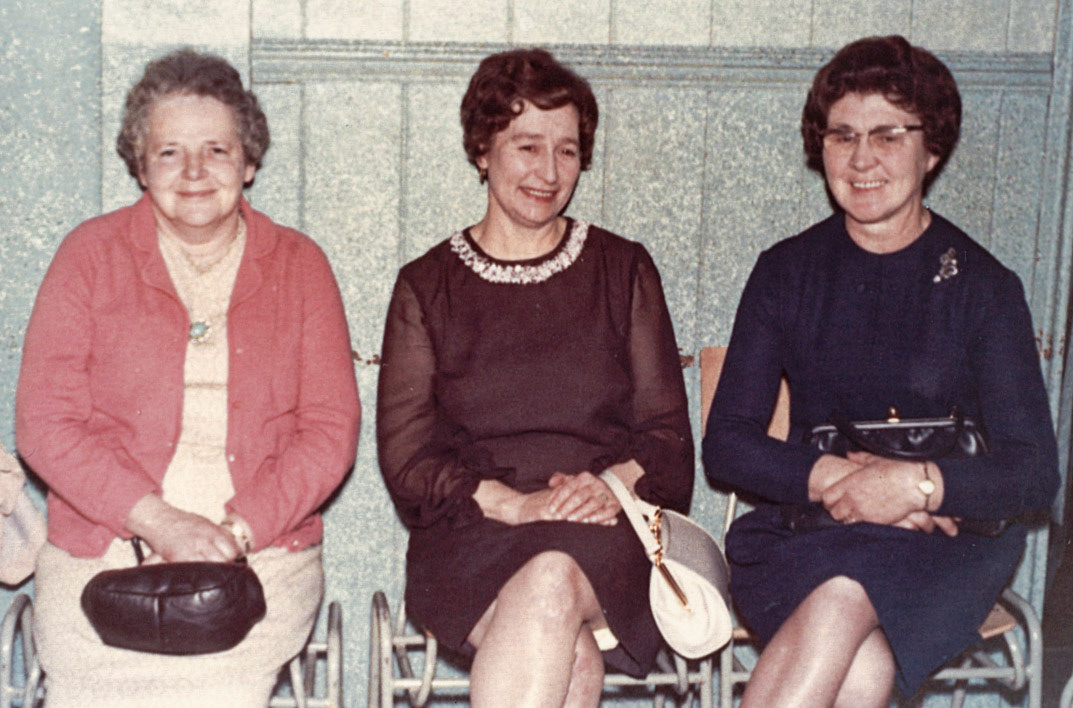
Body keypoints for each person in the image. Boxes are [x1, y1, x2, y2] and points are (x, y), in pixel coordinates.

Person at [703, 35, 1059, 707]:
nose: (861, 159)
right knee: (860, 663)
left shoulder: (982, 286)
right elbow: (727, 445)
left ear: (932, 148)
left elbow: (1032, 470)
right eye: (841, 137)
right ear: (821, 148)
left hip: (942, 547)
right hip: (807, 531)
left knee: (843, 599)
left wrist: (913, 487)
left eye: (887, 135)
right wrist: (838, 479)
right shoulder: (785, 272)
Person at [15, 49, 360, 707]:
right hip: (103, 547)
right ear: (141, 165)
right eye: (170, 152)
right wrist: (157, 519)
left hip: (257, 555)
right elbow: (44, 421)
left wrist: (235, 534)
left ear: (249, 162)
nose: (195, 172)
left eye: (218, 151)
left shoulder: (299, 265)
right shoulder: (89, 256)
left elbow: (328, 431)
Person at [377, 48, 693, 707]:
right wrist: (515, 504)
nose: (549, 173)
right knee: (568, 655)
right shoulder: (426, 286)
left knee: (551, 579)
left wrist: (605, 488)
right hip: (473, 531)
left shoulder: (623, 270)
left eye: (568, 151)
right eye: (526, 147)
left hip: (607, 529)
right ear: (481, 148)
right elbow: (407, 458)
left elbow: (668, 440)